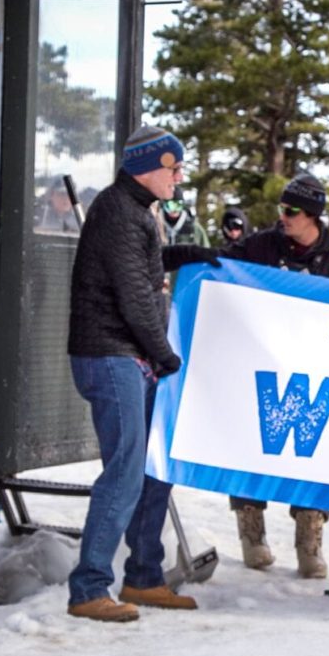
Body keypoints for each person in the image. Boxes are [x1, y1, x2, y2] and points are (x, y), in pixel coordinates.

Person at [64, 125, 221, 622]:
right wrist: (163, 354)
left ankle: (144, 576)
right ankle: (88, 588)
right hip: (111, 355)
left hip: (131, 357)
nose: (178, 178)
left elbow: (143, 268)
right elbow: (134, 294)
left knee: (154, 467)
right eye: (174, 169)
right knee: (127, 470)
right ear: (149, 167)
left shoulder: (135, 212)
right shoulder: (117, 211)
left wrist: (184, 255)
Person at [222, 173, 329, 578]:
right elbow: (218, 270)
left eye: (291, 211)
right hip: (260, 366)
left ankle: (310, 537)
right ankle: (252, 532)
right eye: (280, 209)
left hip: (314, 374)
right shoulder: (260, 247)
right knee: (251, 445)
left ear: (314, 216)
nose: (282, 217)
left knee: (313, 454)